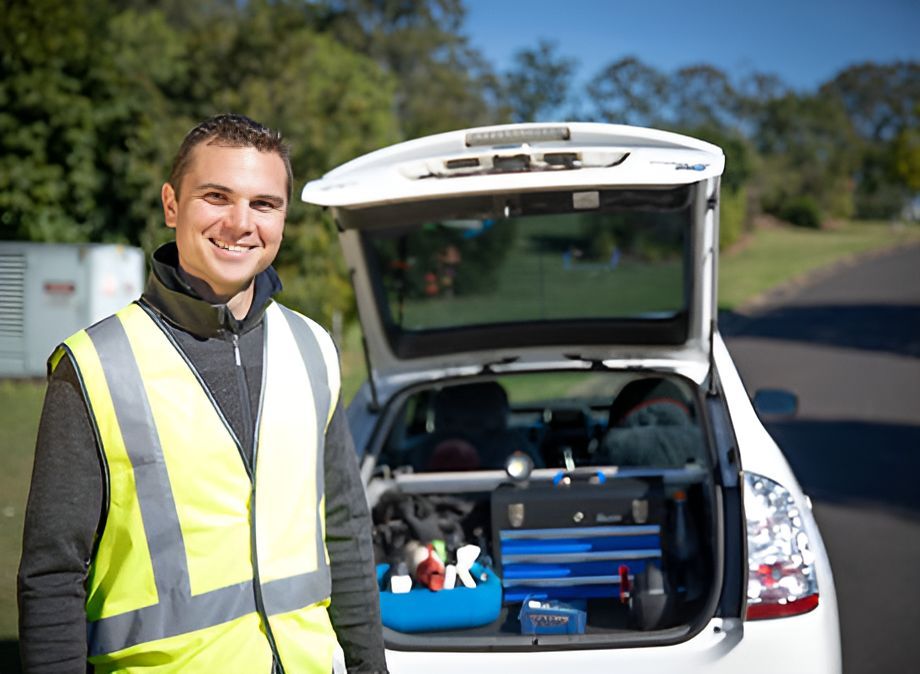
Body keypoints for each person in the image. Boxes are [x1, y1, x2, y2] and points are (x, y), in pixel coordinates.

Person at [18, 114, 388, 674]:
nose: (240, 223)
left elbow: (347, 533)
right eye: (217, 196)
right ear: (172, 205)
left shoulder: (314, 348)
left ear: (283, 218)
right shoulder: (94, 366)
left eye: (264, 204)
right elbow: (52, 575)